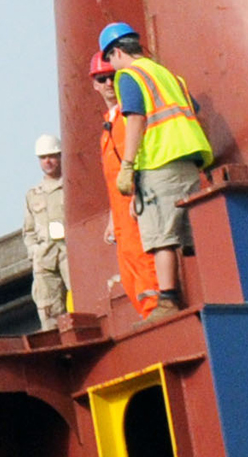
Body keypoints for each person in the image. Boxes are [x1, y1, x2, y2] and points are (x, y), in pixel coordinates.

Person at [100, 21, 214, 312]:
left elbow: (136, 119)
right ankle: (211, 290)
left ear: (115, 53)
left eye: (109, 59)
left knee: (161, 237)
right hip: (189, 161)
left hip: (158, 163)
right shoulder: (167, 74)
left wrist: (128, 165)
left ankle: (167, 300)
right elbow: (194, 113)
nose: (111, 70)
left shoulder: (129, 76)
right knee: (190, 237)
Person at [91, 51, 164, 316]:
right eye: (102, 79)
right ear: (94, 84)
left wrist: (138, 193)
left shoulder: (128, 114)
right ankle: (147, 314)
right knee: (129, 268)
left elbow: (141, 156)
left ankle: (156, 310)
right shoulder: (109, 124)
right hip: (120, 210)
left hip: (135, 202)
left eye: (111, 77)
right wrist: (112, 216)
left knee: (145, 259)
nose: (108, 84)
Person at [24, 134, 72, 329]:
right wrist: (34, 253)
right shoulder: (33, 194)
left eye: (52, 156)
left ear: (61, 156)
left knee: (83, 298)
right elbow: (28, 230)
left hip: (69, 253)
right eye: (43, 158)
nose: (48, 162)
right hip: (45, 257)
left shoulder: (71, 186)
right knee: (49, 310)